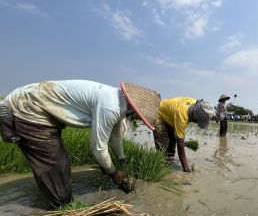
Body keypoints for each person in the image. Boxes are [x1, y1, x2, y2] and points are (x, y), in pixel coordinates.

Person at [0, 80, 160, 209]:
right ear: (135, 109)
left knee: (53, 167)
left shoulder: (119, 102)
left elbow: (116, 137)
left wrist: (122, 162)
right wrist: (113, 174)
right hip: (29, 108)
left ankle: (50, 195)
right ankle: (62, 207)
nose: (139, 119)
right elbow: (98, 147)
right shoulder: (111, 107)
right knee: (57, 166)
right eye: (140, 116)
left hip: (37, 106)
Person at [153, 98, 215, 172]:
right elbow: (180, 145)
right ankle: (161, 167)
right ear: (195, 116)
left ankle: (169, 160)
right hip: (159, 114)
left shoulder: (198, 104)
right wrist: (186, 169)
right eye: (198, 121)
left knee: (173, 139)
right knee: (162, 144)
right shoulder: (182, 115)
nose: (196, 123)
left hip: (171, 116)